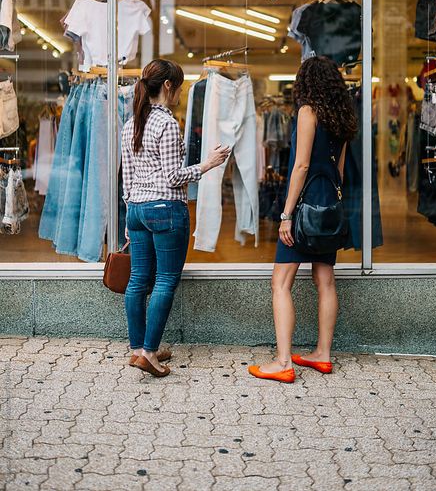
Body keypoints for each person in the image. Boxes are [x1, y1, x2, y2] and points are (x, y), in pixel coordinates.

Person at [249, 56, 358, 383]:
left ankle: (283, 362)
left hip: (304, 209)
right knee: (325, 281)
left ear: (306, 83)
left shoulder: (308, 112)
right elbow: (337, 172)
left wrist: (286, 214)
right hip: (330, 209)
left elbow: (301, 166)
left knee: (280, 283)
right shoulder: (342, 118)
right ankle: (322, 354)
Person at [121, 59, 230, 378]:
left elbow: (127, 177)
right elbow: (171, 177)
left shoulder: (132, 124)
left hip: (138, 209)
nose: (181, 93)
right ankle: (150, 354)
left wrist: (130, 214)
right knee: (166, 280)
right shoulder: (166, 123)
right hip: (165, 209)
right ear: (168, 86)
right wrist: (208, 164)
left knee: (139, 280)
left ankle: (138, 349)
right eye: (180, 86)